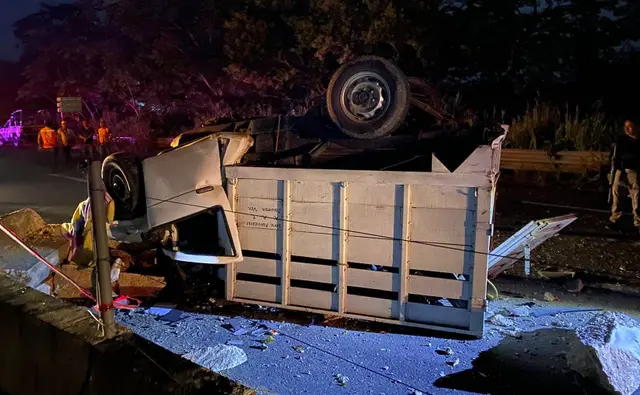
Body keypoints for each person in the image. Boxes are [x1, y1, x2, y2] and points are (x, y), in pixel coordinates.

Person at [608, 117, 640, 234]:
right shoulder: (621, 140)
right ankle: (615, 219)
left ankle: (637, 223)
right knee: (617, 196)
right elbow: (614, 155)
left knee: (636, 196)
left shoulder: (637, 142)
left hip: (633, 172)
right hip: (620, 171)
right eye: (625, 126)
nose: (627, 129)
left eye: (629, 126)